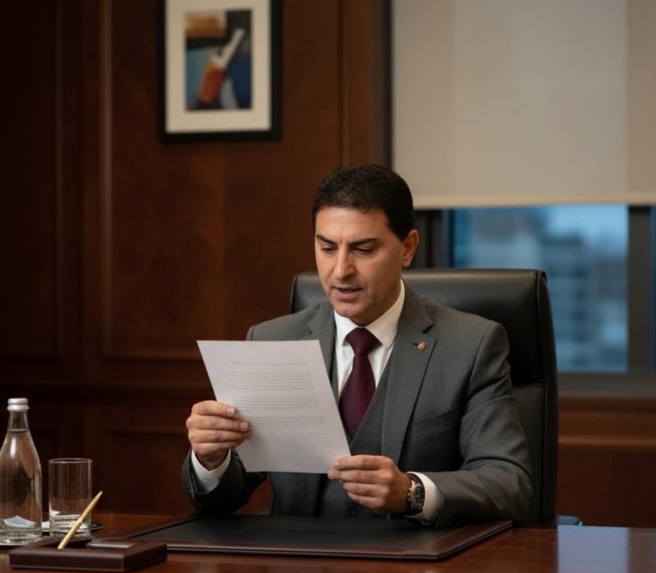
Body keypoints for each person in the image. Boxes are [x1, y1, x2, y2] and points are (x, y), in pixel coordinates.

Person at [182, 164, 533, 528]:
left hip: (416, 560)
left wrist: (412, 492)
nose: (340, 270)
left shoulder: (471, 345)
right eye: (327, 248)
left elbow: (510, 484)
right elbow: (226, 494)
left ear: (407, 248)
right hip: (299, 560)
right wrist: (211, 460)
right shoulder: (272, 341)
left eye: (363, 249)